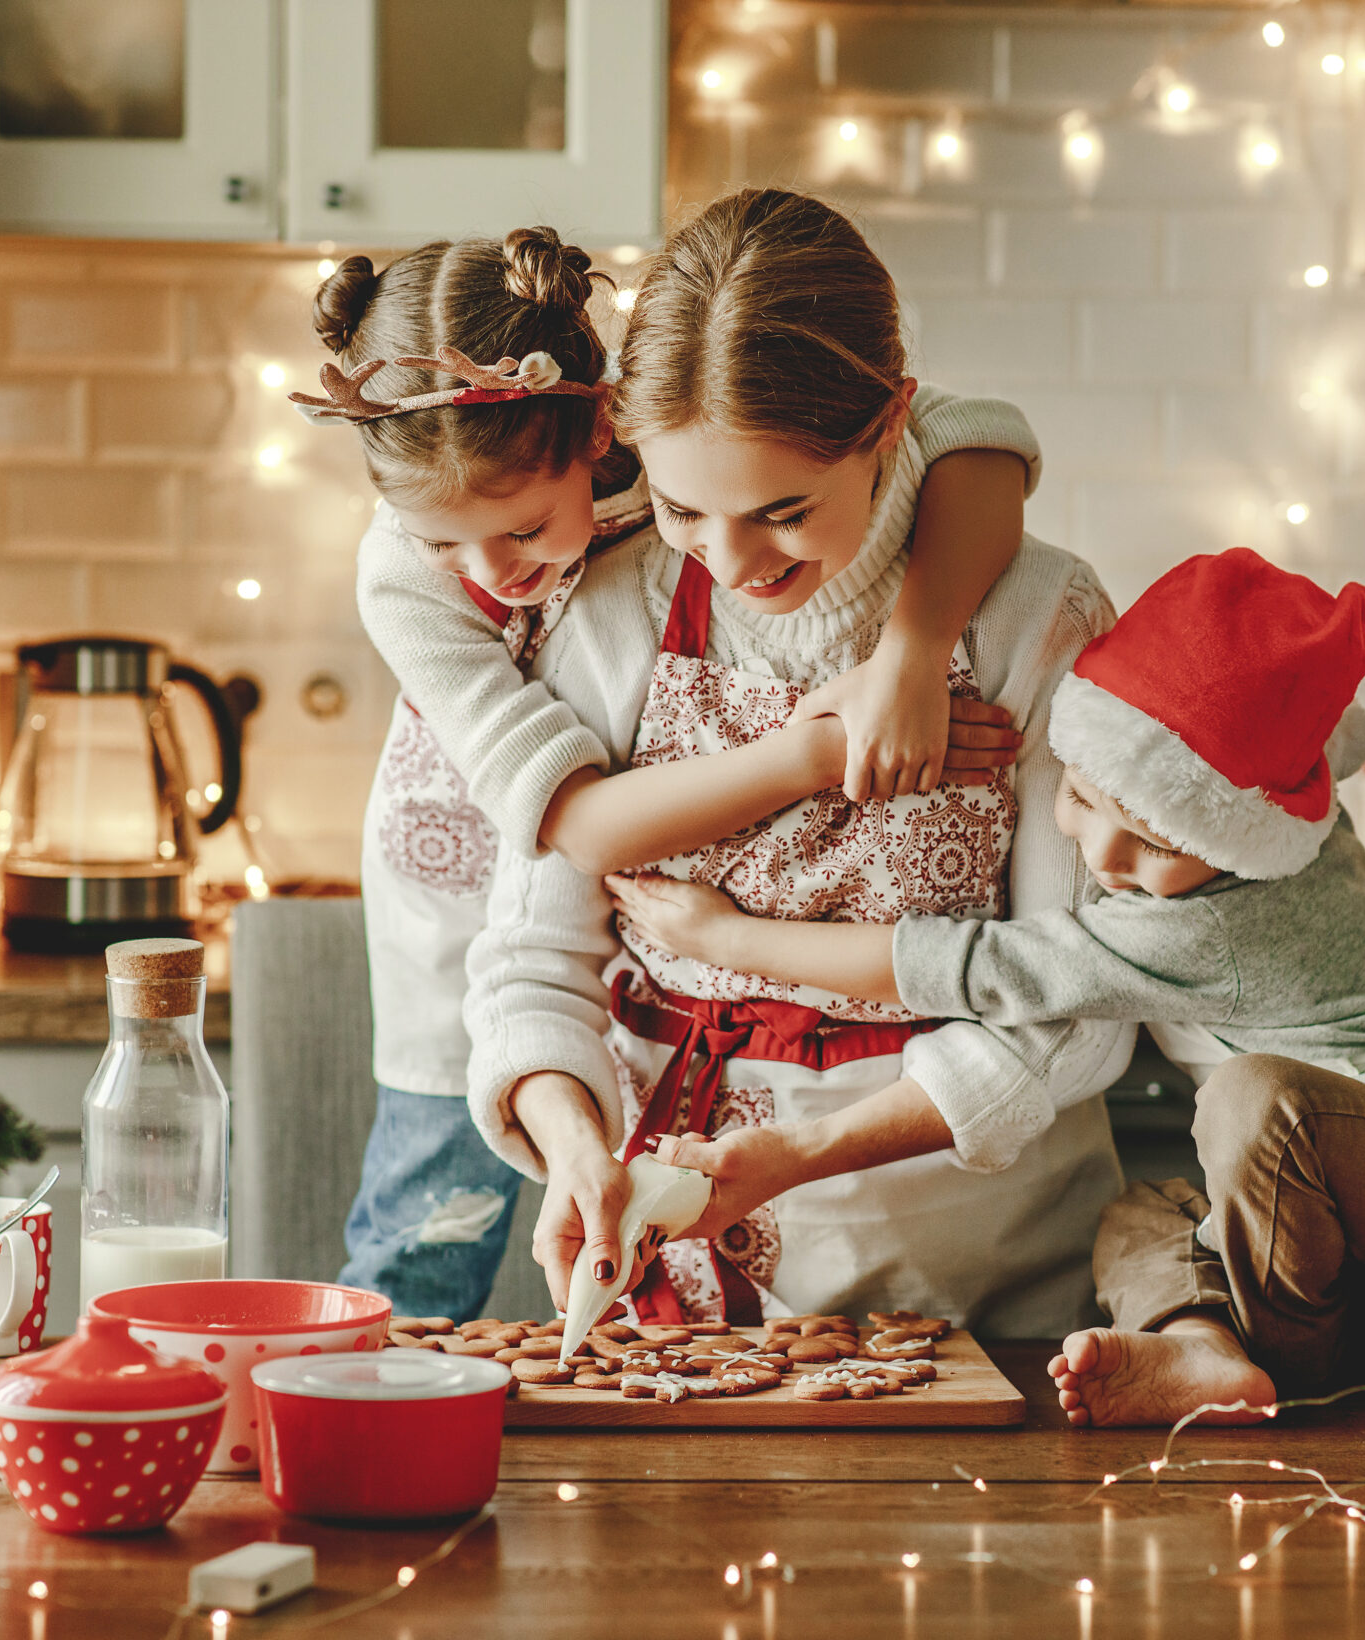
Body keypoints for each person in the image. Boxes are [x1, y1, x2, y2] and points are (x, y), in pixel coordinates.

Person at [611, 548, 1365, 1425]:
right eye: (1078, 797)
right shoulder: (1280, 810)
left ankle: (1268, 1358)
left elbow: (963, 963)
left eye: (1156, 841)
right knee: (1135, 1218)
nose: (1104, 853)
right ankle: (1207, 1349)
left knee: (1260, 1096)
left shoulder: (1210, 918)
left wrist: (728, 934)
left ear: (1233, 836)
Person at [309, 225, 1040, 1319]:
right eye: (441, 544)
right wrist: (820, 749)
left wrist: (912, 653)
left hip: (646, 830)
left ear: (603, 427)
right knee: (429, 1220)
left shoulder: (678, 453)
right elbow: (583, 829)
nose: (487, 575)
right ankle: (381, 1415)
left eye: (518, 530)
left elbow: (977, 443)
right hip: (489, 835)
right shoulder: (405, 578)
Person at [461, 187, 1136, 1337]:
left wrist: (806, 1151)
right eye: (680, 508)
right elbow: (534, 957)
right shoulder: (614, 604)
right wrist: (575, 1143)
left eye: (781, 510)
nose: (727, 561)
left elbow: (1074, 999)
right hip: (671, 1295)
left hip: (975, 1288)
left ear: (889, 426)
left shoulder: (1032, 616)